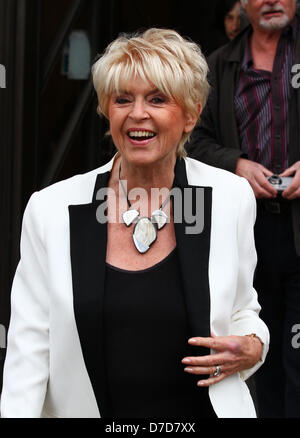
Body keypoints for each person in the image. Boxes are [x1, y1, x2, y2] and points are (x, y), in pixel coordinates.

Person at [0, 28, 269, 419]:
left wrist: (254, 345)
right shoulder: (51, 210)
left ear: (191, 115)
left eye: (157, 99)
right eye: (122, 99)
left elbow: (244, 309)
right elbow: (28, 349)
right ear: (107, 112)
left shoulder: (230, 198)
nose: (137, 114)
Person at [186, 0, 300, 418]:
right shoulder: (218, 65)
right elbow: (192, 138)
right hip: (246, 232)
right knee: (255, 349)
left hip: (298, 230)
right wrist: (235, 163)